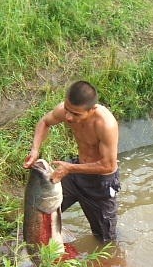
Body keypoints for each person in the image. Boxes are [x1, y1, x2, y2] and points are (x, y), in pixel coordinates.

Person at [24, 81, 120, 242]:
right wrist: (34, 150)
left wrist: (70, 168)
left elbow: (108, 165)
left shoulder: (105, 124)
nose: (68, 117)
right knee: (39, 213)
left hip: (101, 183)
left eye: (76, 114)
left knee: (105, 241)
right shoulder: (66, 110)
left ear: (92, 109)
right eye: (67, 110)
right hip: (75, 172)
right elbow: (45, 122)